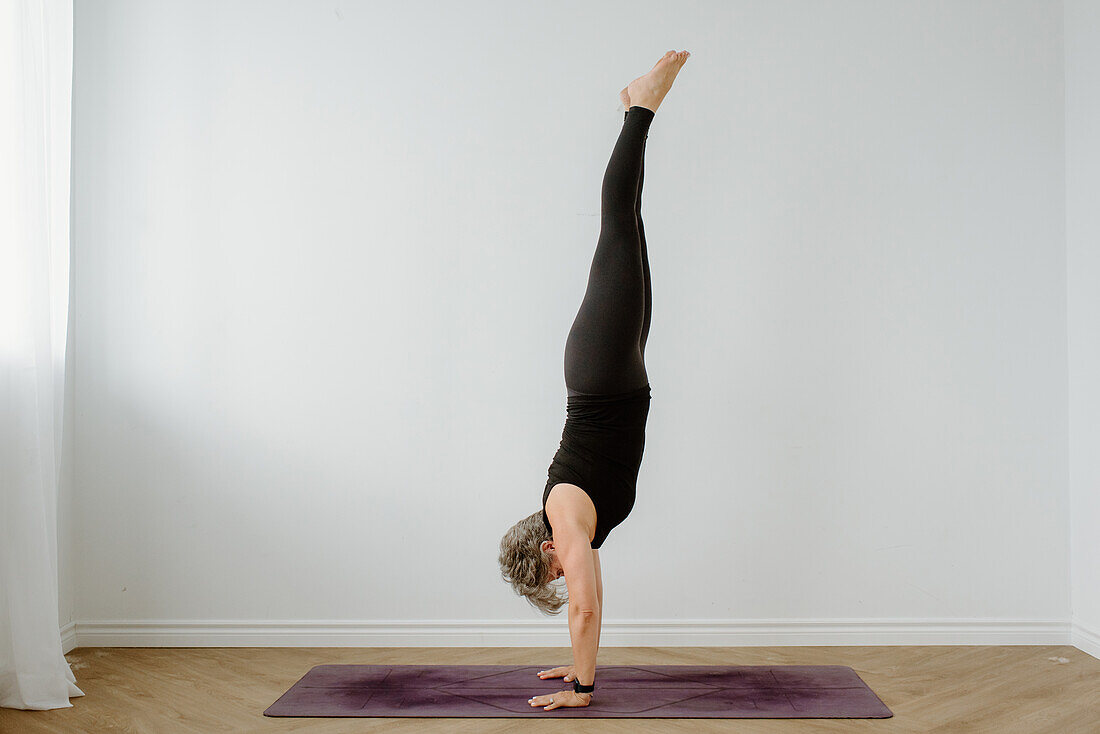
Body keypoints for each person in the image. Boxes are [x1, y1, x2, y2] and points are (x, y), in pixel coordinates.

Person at [497, 49, 690, 711]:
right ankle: (634, 109)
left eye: (553, 567)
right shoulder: (569, 521)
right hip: (616, 371)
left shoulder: (567, 520)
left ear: (547, 547)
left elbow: (581, 608)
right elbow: (592, 603)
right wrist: (576, 666)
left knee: (616, 225)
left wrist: (581, 690)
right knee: (629, 226)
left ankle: (639, 107)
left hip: (603, 371)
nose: (567, 570)